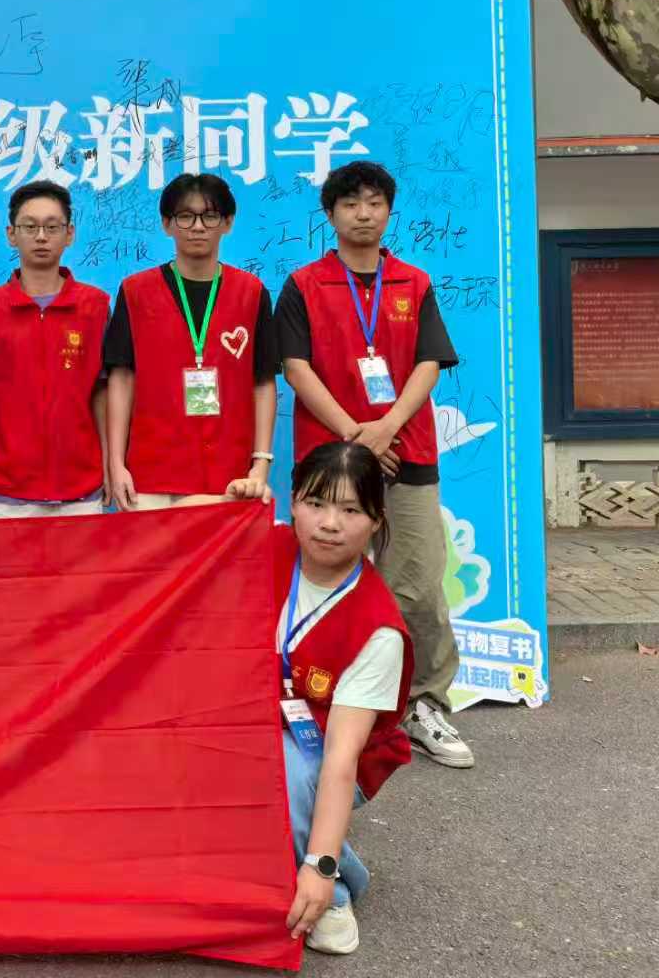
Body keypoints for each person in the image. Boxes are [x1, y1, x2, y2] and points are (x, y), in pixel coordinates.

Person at [276, 160, 471, 769]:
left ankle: (423, 705)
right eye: (350, 203)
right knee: (325, 578)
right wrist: (354, 436)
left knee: (418, 585)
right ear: (330, 214)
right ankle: (326, 700)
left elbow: (428, 364)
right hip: (332, 459)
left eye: (374, 202)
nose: (363, 214)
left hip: (406, 453)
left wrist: (386, 428)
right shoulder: (304, 285)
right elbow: (295, 367)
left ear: (389, 211)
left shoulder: (413, 282)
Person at [276, 441, 414, 956]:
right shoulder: (264, 551)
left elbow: (339, 758)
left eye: (351, 510)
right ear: (292, 503)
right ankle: (342, 862)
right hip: (265, 725)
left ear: (376, 520)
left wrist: (319, 869)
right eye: (315, 503)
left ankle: (331, 892)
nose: (329, 523)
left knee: (289, 776)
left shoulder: (379, 629)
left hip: (335, 756)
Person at [103, 174, 279, 510]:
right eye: (185, 216)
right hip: (150, 473)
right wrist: (116, 463)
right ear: (167, 224)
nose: (197, 227)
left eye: (209, 216)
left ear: (227, 222)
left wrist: (260, 463)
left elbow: (263, 381)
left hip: (229, 475)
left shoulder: (251, 292)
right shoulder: (136, 291)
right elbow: (122, 378)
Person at [0, 181, 109, 518]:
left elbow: (102, 392)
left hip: (80, 488)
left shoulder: (96, 306)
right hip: (4, 493)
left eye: (52, 227)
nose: (41, 237)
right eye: (30, 227)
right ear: (11, 235)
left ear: (69, 234)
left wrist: (107, 463)